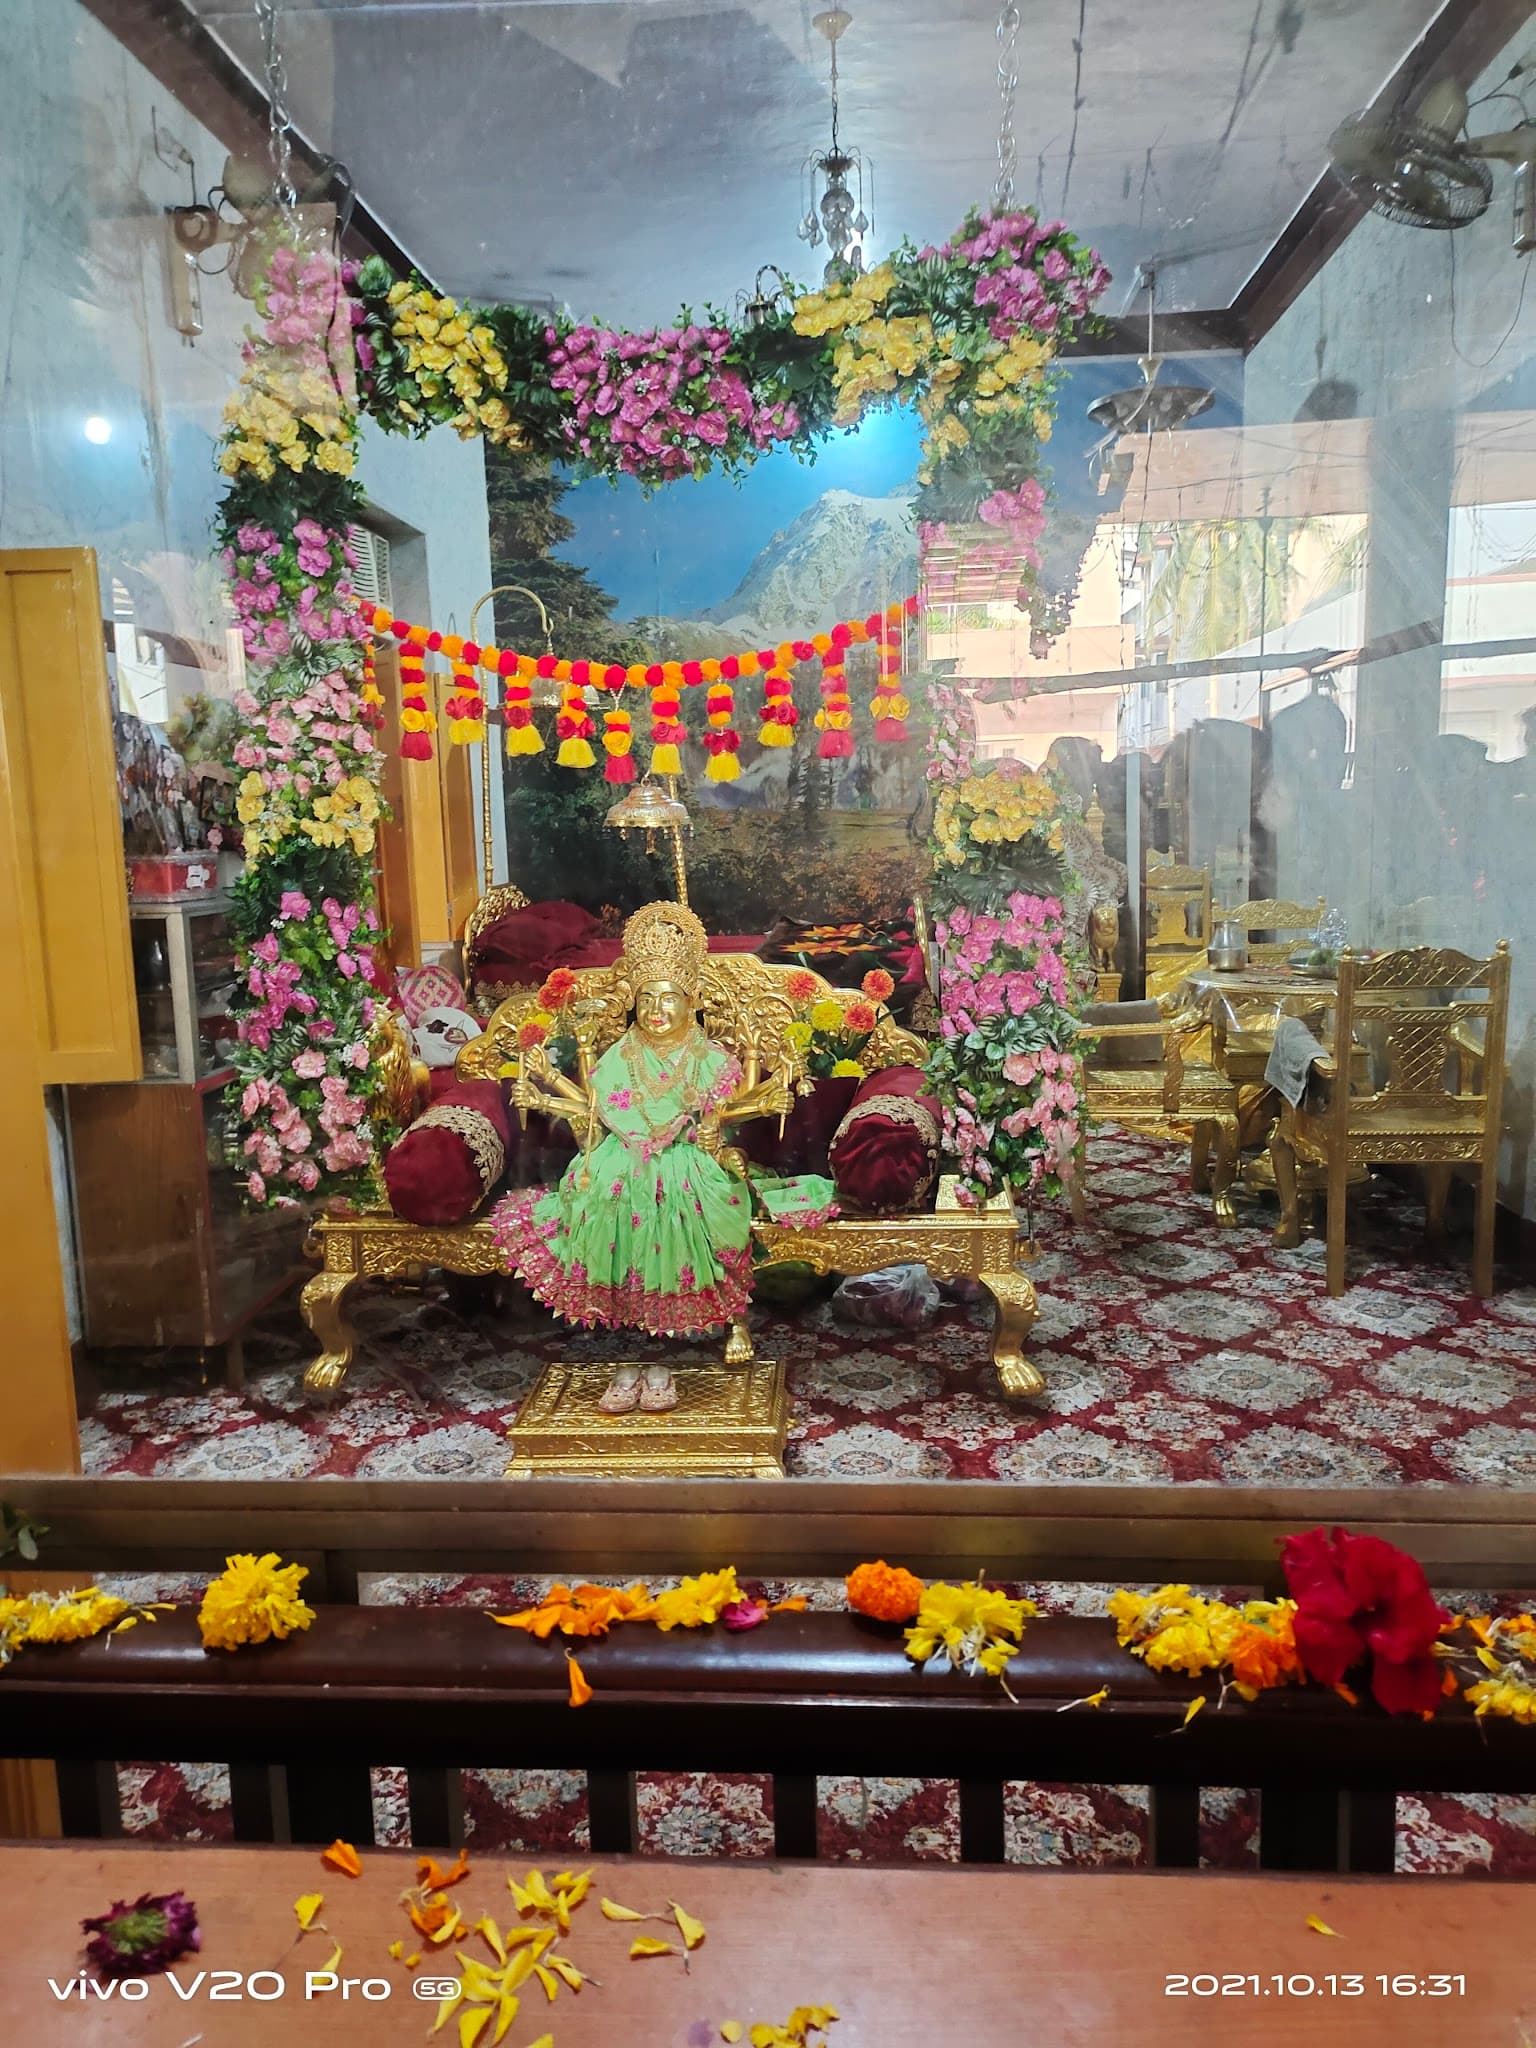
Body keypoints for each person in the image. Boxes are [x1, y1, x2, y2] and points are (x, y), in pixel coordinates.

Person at [492, 900, 834, 1412]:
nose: (656, 1009)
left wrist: (765, 1096)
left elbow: (724, 1113)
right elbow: (595, 1119)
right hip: (616, 1158)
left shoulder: (707, 1054)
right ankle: (632, 1337)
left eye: (668, 998)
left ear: (691, 1000)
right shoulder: (619, 1053)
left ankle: (689, 1333)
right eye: (647, 997)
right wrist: (545, 1092)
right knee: (606, 1183)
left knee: (682, 1187)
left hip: (693, 1156)